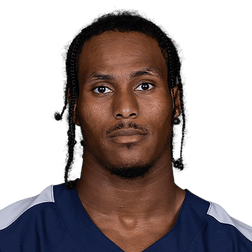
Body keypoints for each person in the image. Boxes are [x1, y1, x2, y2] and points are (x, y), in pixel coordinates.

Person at [0, 8, 251, 252]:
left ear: (175, 102)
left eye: (144, 85)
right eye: (101, 89)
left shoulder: (237, 243)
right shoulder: (11, 235)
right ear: (74, 108)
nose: (125, 108)